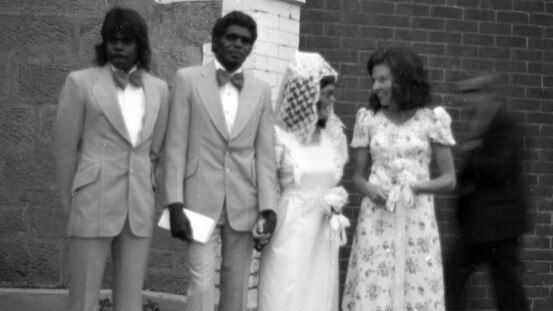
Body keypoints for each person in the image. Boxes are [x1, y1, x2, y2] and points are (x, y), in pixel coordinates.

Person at [54, 7, 168, 311]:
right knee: (83, 297)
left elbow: (153, 151)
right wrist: (71, 203)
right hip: (92, 201)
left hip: (138, 205)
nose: (118, 45)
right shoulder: (80, 83)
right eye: (112, 39)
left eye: (127, 39)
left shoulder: (159, 90)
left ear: (140, 45)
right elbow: (65, 149)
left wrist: (145, 182)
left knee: (131, 301)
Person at [163, 11, 278, 311]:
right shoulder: (187, 79)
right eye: (232, 37)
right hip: (198, 200)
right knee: (200, 281)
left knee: (236, 282)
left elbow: (265, 156)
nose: (238, 45)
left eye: (246, 41)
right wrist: (174, 203)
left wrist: (268, 208)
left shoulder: (261, 91)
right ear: (216, 41)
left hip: (244, 201)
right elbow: (175, 146)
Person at [342, 46, 456, 311]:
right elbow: (357, 176)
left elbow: (449, 179)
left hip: (417, 221)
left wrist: (414, 186)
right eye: (373, 79)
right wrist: (369, 188)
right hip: (378, 218)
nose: (375, 86)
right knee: (375, 286)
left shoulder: (431, 120)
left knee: (417, 287)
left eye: (383, 79)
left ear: (403, 80)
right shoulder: (368, 120)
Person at [257, 52, 349, 311]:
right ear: (307, 93)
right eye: (328, 93)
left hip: (322, 231)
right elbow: (263, 182)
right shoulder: (279, 137)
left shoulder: (334, 135)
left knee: (318, 296)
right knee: (282, 292)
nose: (333, 99)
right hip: (289, 225)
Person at [444, 73, 529, 311]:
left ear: (487, 94)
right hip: (477, 226)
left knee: (507, 292)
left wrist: (471, 153)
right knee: (450, 281)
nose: (464, 101)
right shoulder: (482, 123)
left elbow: (501, 168)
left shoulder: (506, 123)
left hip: (500, 227)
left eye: (469, 94)